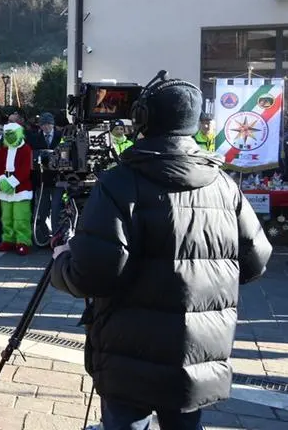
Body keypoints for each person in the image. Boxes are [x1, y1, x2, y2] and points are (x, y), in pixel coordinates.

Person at [51, 74, 272, 430]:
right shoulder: (223, 184)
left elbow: (91, 275)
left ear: (142, 120)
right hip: (197, 353)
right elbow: (256, 261)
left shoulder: (119, 183)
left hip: (128, 353)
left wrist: (61, 259)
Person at [0, 122, 33, 256]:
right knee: (6, 217)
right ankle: (8, 240)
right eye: (7, 134)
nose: (9, 137)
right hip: (4, 188)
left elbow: (25, 170)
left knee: (20, 217)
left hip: (21, 188)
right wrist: (1, 181)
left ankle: (23, 241)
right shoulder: (2, 150)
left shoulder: (26, 149)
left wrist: (11, 183)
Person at [27, 112, 62, 246]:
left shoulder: (61, 137)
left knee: (56, 208)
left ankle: (57, 237)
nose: (46, 127)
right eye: (43, 124)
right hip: (41, 180)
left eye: (48, 124)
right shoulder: (34, 138)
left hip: (58, 179)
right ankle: (43, 236)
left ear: (53, 124)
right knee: (42, 208)